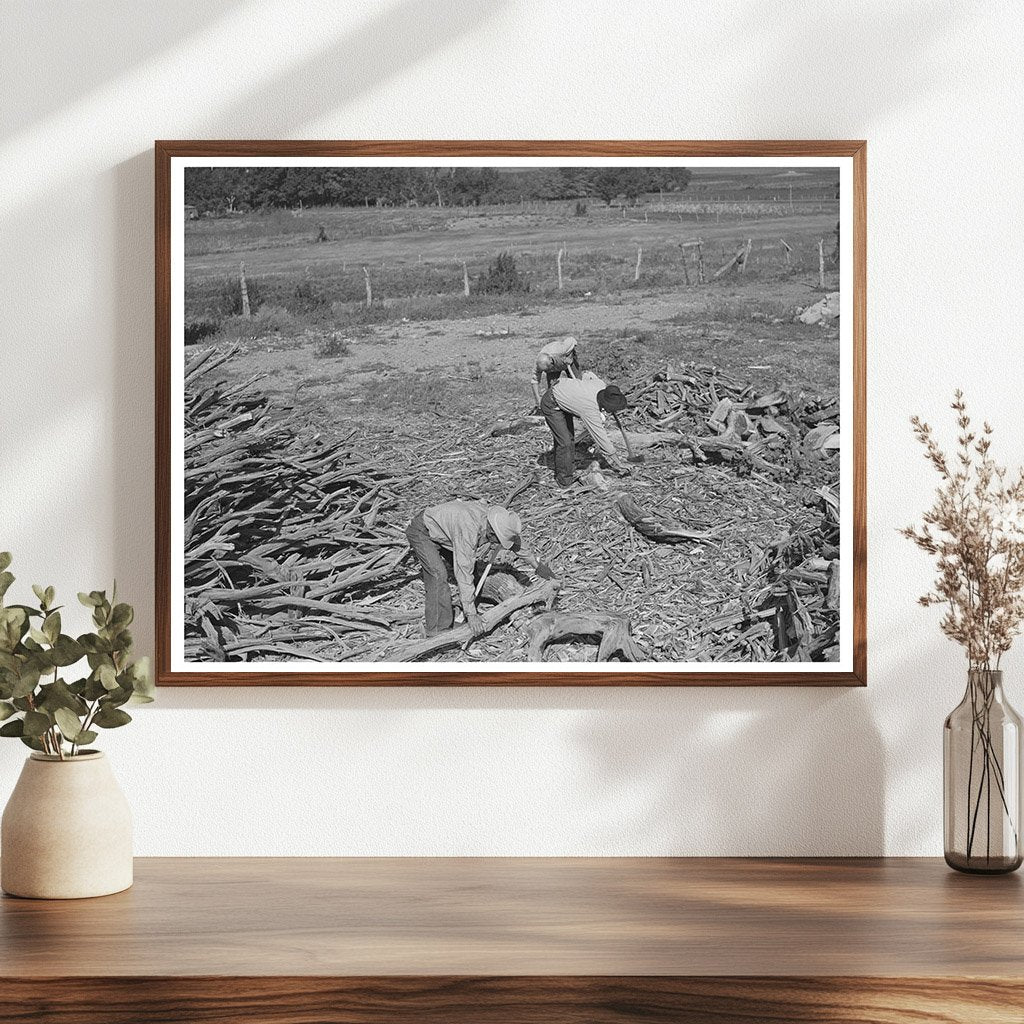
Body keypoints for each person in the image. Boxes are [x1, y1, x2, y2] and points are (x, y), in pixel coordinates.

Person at [405, 501, 543, 637]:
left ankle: (463, 606)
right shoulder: (469, 529)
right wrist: (471, 614)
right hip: (423, 531)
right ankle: (437, 632)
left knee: (474, 571)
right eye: (498, 540)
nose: (497, 544)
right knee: (437, 575)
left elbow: (517, 544)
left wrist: (538, 566)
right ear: (492, 532)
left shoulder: (496, 521)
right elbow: (463, 571)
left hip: (447, 533)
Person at [540, 375, 630, 488]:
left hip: (563, 393)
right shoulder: (590, 410)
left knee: (569, 437)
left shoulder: (600, 385)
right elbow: (601, 439)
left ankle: (568, 466)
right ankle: (564, 481)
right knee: (565, 442)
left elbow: (588, 375)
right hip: (551, 404)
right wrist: (619, 464)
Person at [531, 336, 581, 408]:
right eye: (545, 371)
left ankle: (578, 404)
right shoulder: (538, 364)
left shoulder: (561, 349)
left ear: (551, 362)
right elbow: (534, 381)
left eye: (547, 370)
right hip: (556, 363)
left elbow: (572, 340)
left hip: (567, 361)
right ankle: (556, 407)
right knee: (552, 389)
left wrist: (569, 356)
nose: (547, 372)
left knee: (577, 382)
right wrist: (538, 399)